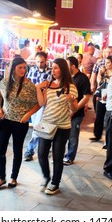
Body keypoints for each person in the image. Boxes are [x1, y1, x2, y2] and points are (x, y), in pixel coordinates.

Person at [0, 57, 39, 190]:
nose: (23, 70)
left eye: (24, 67)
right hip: (5, 120)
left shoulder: (30, 85)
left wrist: (28, 115)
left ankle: (14, 177)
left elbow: (38, 103)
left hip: (20, 122)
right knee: (0, 149)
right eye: (20, 67)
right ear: (13, 68)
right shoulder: (5, 82)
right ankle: (2, 177)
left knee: (17, 150)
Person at [35, 58, 78, 195]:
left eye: (56, 68)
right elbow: (42, 103)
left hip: (62, 127)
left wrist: (71, 101)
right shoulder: (49, 85)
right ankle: (46, 176)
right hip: (47, 124)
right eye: (52, 68)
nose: (52, 71)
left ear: (63, 69)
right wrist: (38, 88)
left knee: (57, 156)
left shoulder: (70, 87)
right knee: (41, 154)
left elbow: (75, 108)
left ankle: (55, 183)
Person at [23, 52, 52, 161]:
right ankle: (46, 148)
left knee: (37, 127)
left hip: (43, 103)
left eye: (42, 62)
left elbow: (46, 87)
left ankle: (29, 151)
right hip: (32, 102)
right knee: (38, 126)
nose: (40, 64)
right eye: (38, 62)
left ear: (46, 61)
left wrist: (37, 87)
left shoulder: (49, 72)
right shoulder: (32, 70)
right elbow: (29, 85)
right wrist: (38, 87)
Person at [63, 56, 91, 165]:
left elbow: (86, 97)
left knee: (73, 136)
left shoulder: (82, 78)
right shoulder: (66, 78)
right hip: (64, 112)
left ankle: (70, 156)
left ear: (73, 66)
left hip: (76, 113)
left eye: (67, 65)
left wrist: (74, 110)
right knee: (62, 135)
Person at [91, 56, 112, 142]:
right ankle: (97, 134)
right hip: (101, 94)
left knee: (108, 118)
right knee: (99, 115)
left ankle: (108, 139)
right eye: (105, 62)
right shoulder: (103, 71)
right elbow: (99, 83)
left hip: (111, 96)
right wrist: (100, 74)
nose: (106, 64)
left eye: (108, 63)